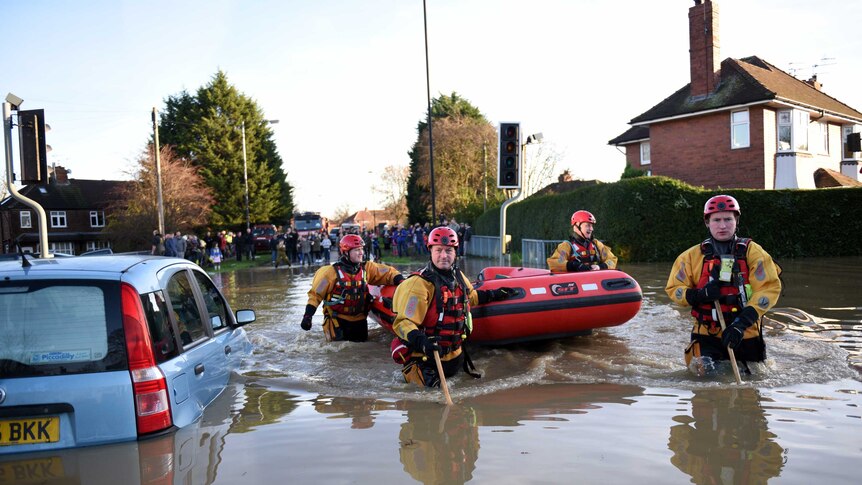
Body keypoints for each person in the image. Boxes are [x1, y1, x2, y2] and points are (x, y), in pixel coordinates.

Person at [665, 195, 782, 371]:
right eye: (716, 220)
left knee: (752, 384)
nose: (722, 225)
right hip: (706, 333)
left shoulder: (754, 252)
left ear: (736, 221)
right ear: (707, 222)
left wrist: (740, 325)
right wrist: (700, 294)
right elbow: (675, 289)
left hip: (745, 332)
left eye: (728, 219)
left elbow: (768, 289)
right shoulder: (689, 257)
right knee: (705, 383)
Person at [390, 226, 517, 388]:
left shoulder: (458, 276)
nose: (444, 256)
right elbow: (402, 323)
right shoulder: (418, 284)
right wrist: (422, 342)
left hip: (455, 356)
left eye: (449, 251)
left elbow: (471, 298)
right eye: (439, 250)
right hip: (427, 361)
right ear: (430, 251)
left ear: (456, 252)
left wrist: (495, 294)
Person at [300, 234, 405, 342]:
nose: (361, 253)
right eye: (357, 250)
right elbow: (315, 296)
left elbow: (389, 273)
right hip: (338, 321)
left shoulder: (367, 268)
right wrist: (308, 316)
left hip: (360, 321)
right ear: (345, 252)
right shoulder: (329, 273)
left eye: (361, 249)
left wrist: (402, 282)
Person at [547, 210, 618, 272]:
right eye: (588, 225)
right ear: (577, 225)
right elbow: (556, 263)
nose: (591, 229)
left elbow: (612, 260)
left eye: (592, 226)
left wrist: (600, 267)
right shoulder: (566, 246)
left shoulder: (597, 244)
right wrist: (575, 266)